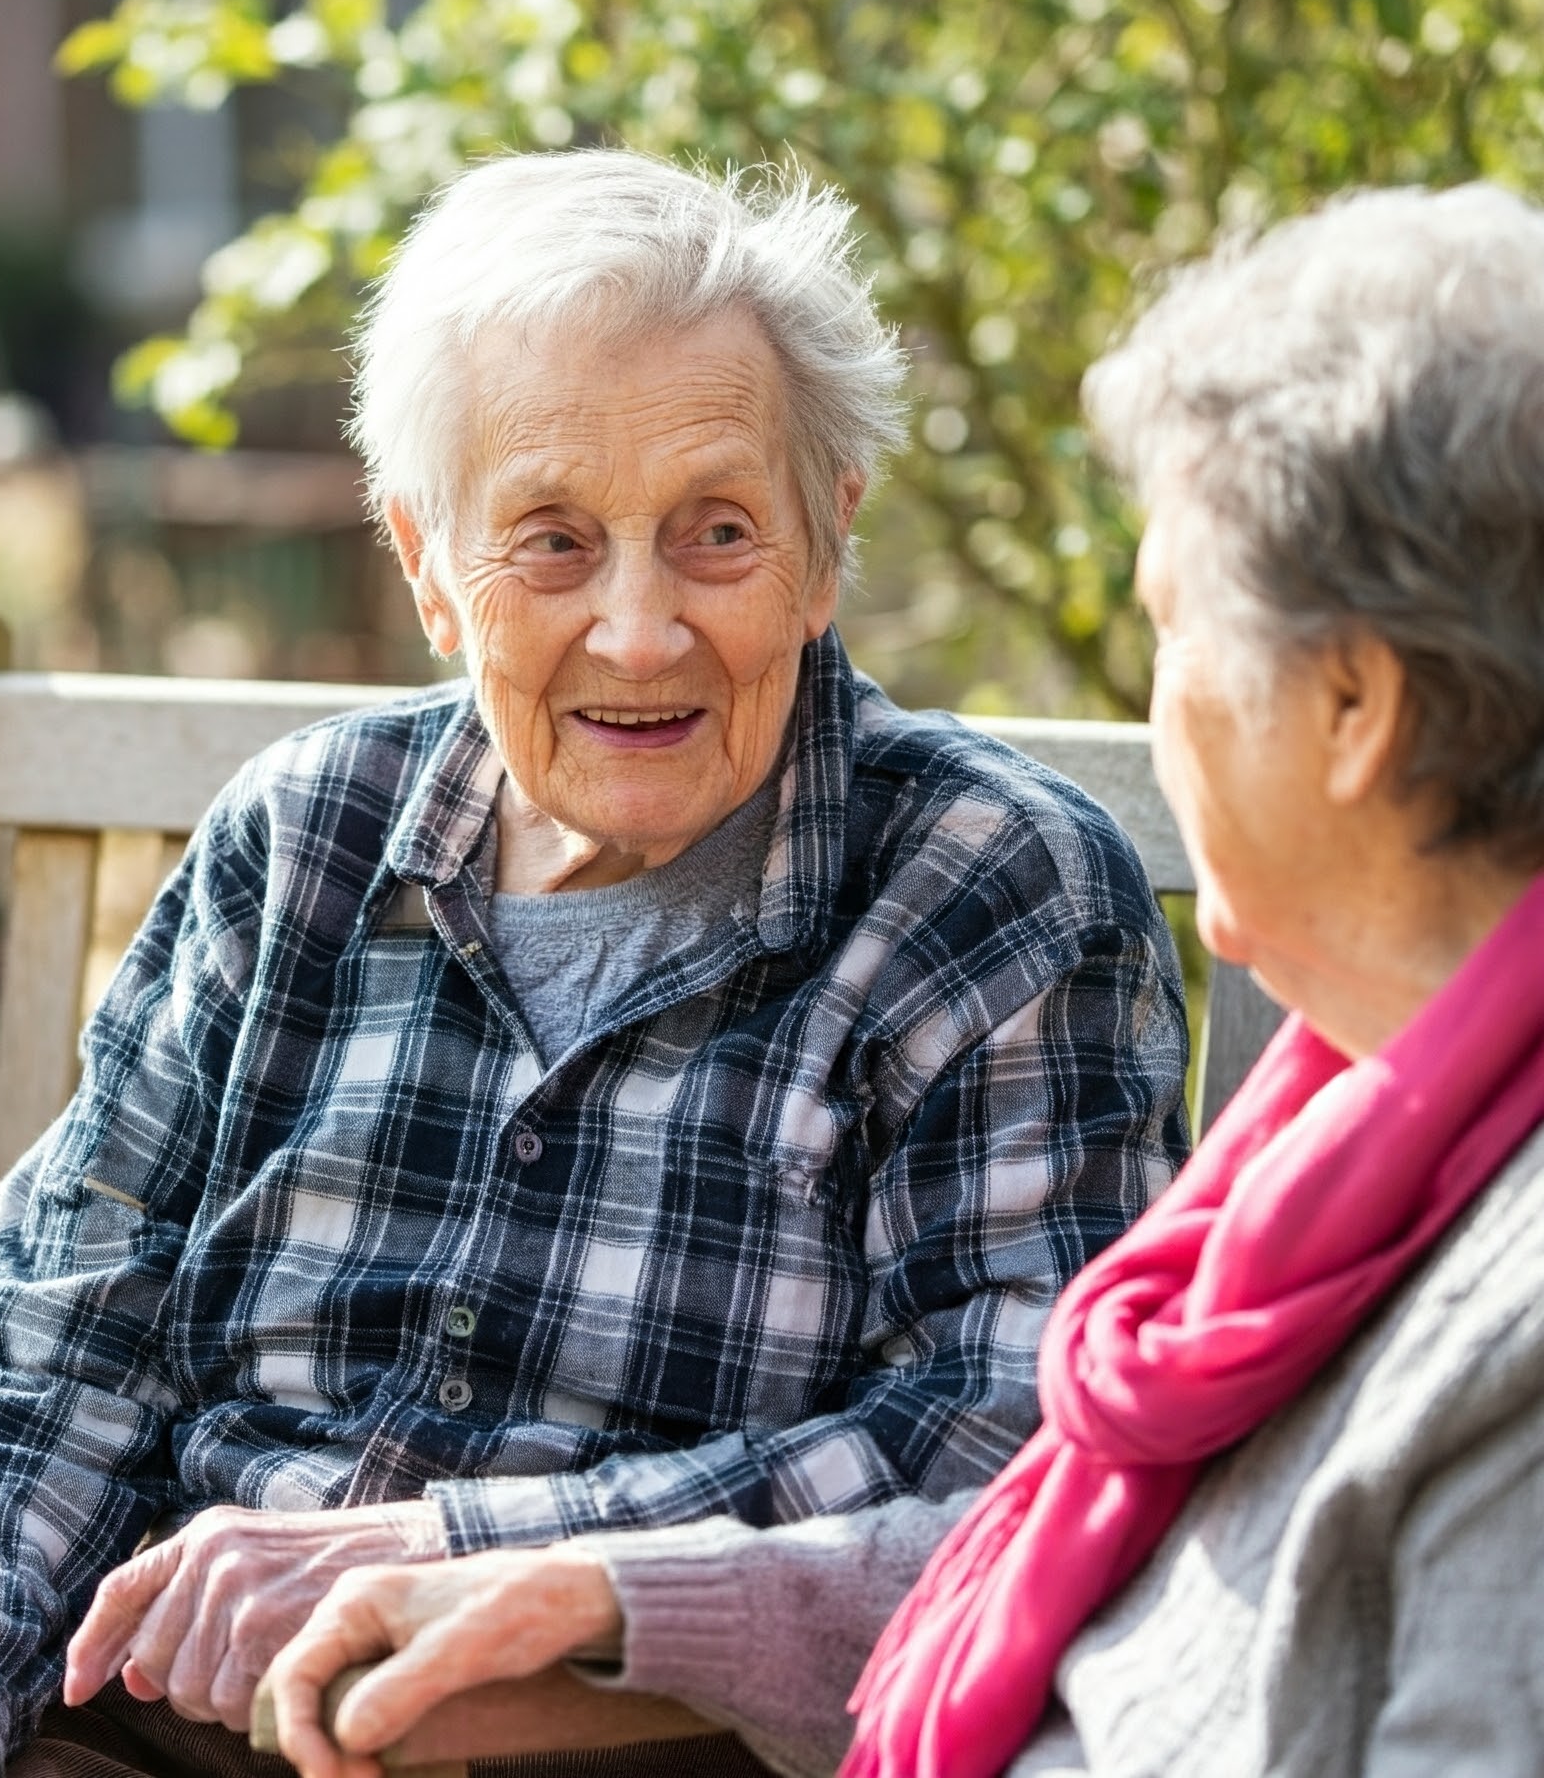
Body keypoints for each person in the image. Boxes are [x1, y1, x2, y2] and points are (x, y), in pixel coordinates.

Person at [0, 150, 1190, 1778]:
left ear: (828, 536)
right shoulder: (304, 842)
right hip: (146, 1718)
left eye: (718, 531)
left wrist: (469, 1555)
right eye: (554, 542)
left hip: (617, 1733)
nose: (642, 631)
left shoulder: (987, 888)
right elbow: (54, 1342)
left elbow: (1004, 1448)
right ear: (429, 567)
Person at [257, 179, 1544, 1778]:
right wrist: (598, 1589)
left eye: (1168, 629)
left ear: (1350, 707)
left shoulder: (1501, 1311)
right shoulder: (1342, 1143)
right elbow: (1032, 1542)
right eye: (557, 541)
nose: (641, 629)